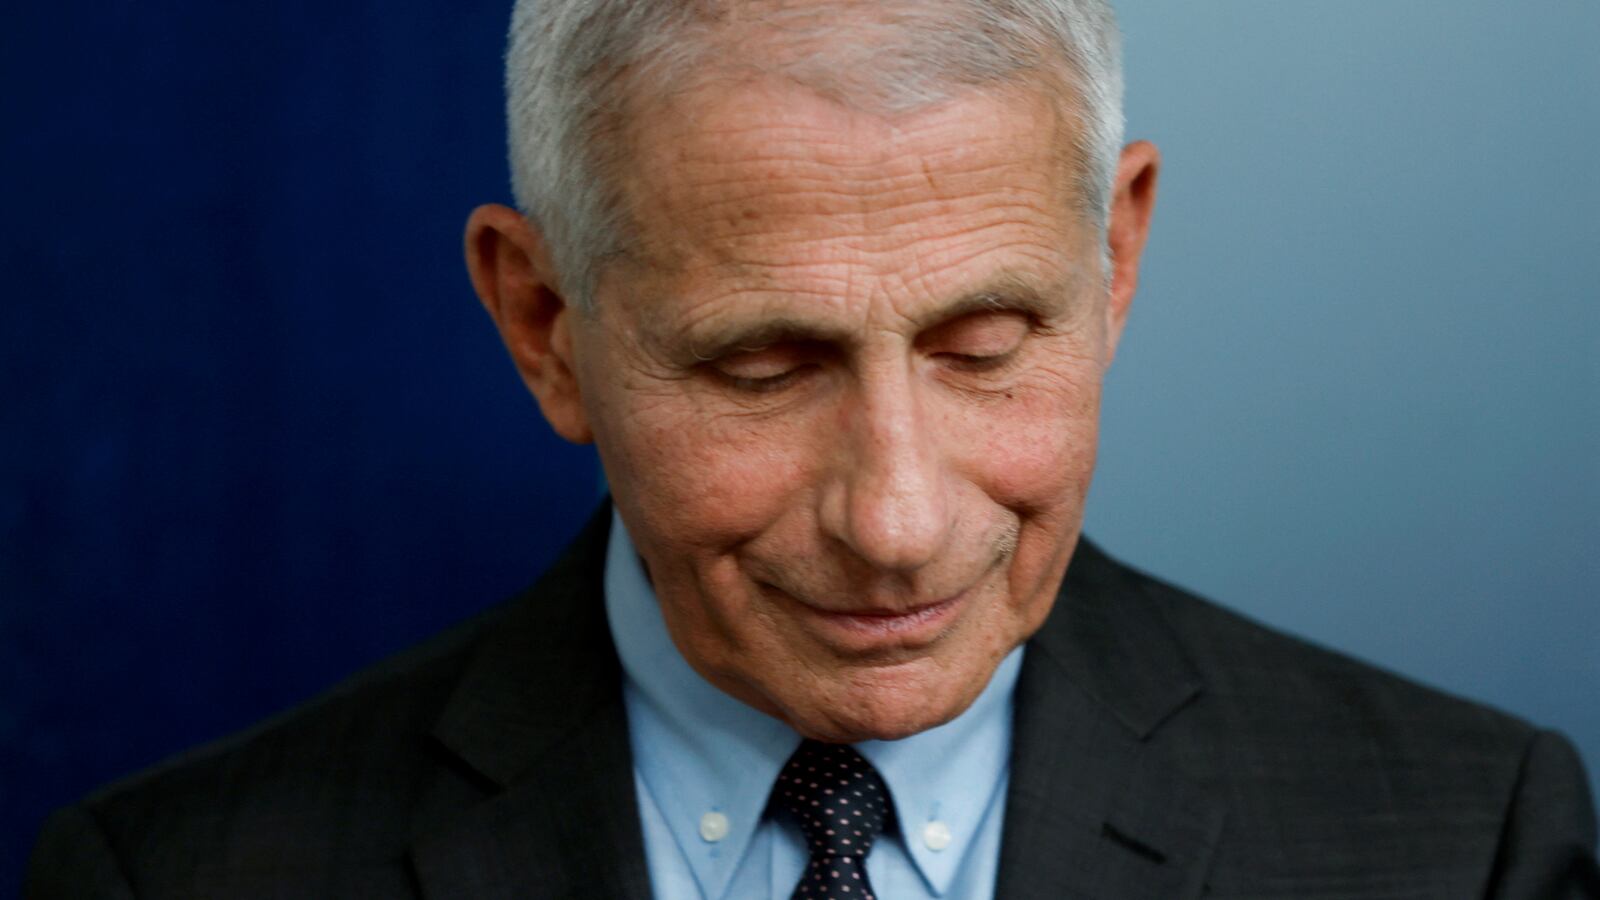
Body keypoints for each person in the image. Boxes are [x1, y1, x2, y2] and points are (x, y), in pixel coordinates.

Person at [25, 0, 1599, 897]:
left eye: (986, 352)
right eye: (763, 369)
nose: (900, 522)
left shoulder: (1466, 845)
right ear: (543, 324)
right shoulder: (179, 882)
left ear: (1114, 264)